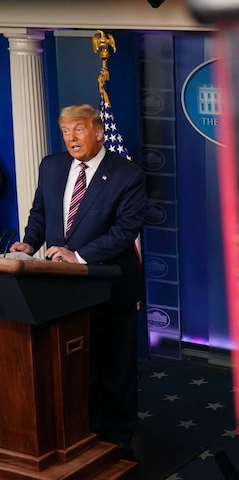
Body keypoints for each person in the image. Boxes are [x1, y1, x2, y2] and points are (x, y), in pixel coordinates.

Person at [10, 104, 146, 452]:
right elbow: (41, 212)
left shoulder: (127, 175)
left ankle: (118, 434)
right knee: (74, 359)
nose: (71, 137)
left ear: (98, 132)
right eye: (65, 131)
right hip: (62, 287)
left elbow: (125, 230)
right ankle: (80, 428)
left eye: (78, 129)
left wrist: (79, 256)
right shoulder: (52, 166)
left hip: (108, 283)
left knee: (113, 361)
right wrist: (30, 243)